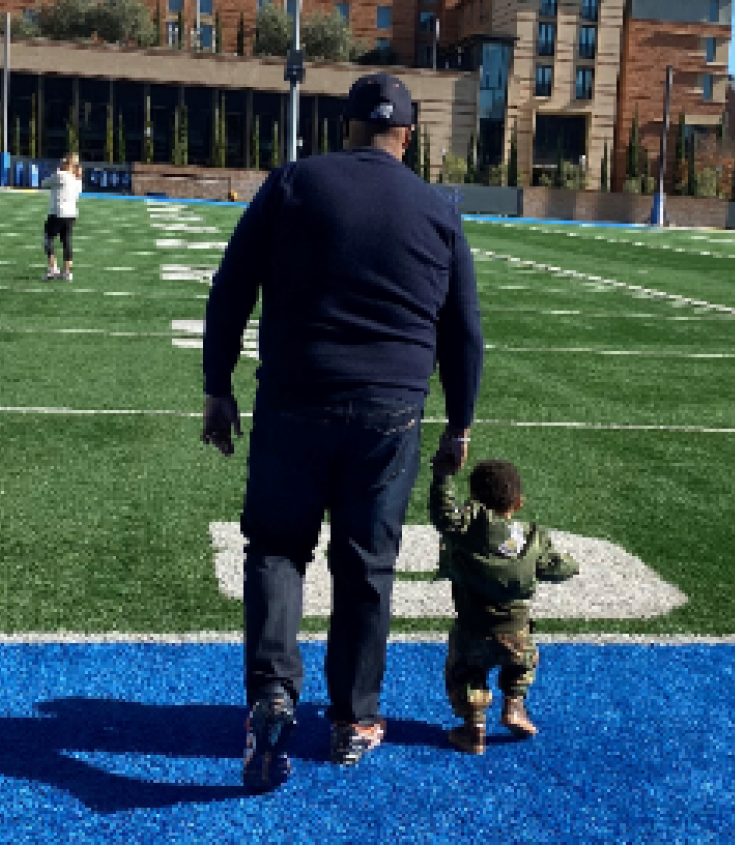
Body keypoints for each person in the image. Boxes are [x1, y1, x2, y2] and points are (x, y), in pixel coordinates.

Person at [200, 72, 484, 793]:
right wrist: (460, 421)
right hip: (390, 412)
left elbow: (231, 285)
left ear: (347, 125)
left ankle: (272, 691)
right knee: (365, 566)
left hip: (295, 398)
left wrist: (217, 386)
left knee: (275, 548)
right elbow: (464, 333)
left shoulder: (295, 182)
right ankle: (355, 717)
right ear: (409, 135)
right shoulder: (437, 209)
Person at [428, 458, 579, 755]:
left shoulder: (465, 532)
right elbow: (562, 568)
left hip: (472, 629)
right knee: (521, 665)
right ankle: (514, 705)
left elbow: (443, 514)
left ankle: (474, 728)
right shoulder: (534, 538)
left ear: (473, 499)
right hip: (516, 633)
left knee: (465, 674)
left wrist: (443, 477)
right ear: (519, 503)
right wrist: (568, 563)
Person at [40, 153, 82, 281]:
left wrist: (57, 172)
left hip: (58, 212)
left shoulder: (60, 175)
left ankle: (53, 269)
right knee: (67, 241)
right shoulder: (77, 179)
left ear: (66, 164)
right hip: (72, 214)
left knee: (47, 239)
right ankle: (67, 272)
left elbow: (43, 183)